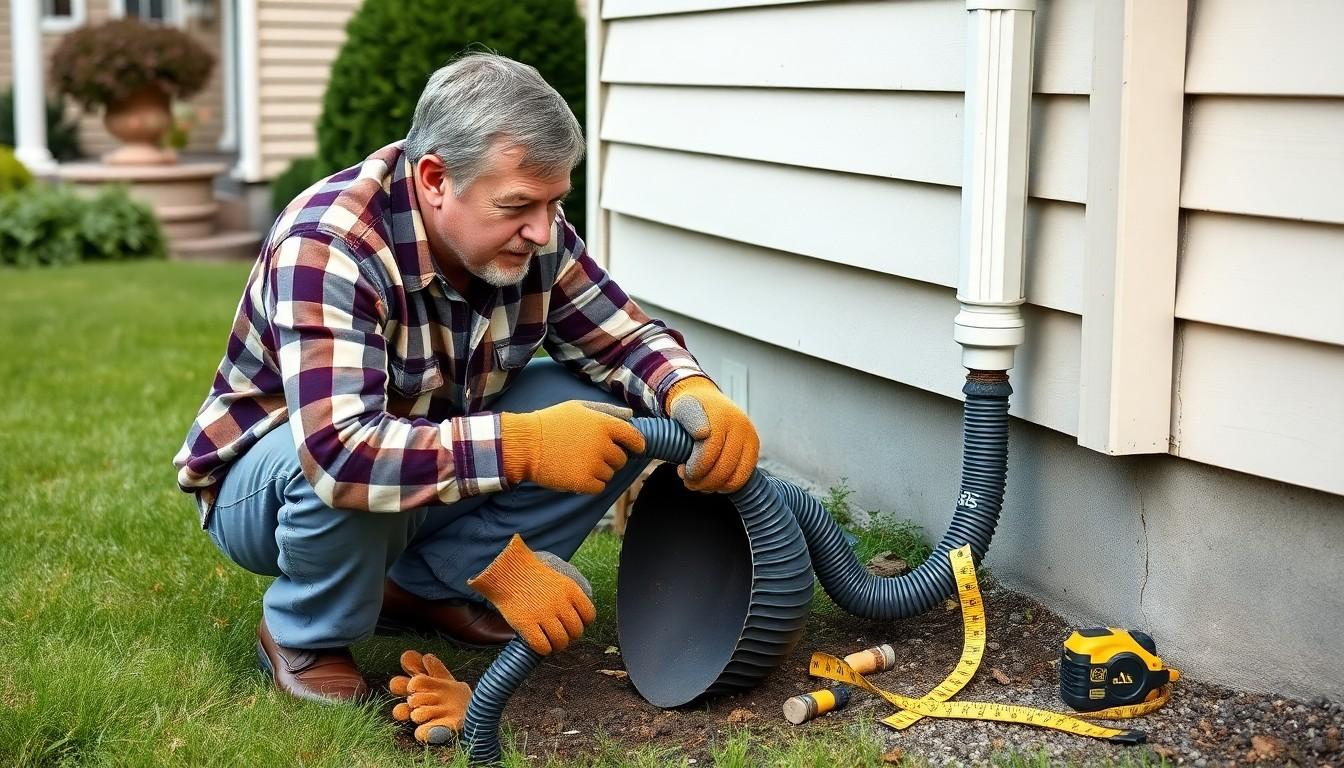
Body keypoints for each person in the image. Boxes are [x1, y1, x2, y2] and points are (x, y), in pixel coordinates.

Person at [172, 52, 759, 708]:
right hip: (275, 481)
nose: (542, 229)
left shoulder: (532, 232)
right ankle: (306, 634)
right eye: (517, 205)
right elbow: (341, 453)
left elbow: (622, 339)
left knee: (612, 410)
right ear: (435, 179)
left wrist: (690, 391)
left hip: (428, 455)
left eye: (554, 202)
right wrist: (525, 446)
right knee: (334, 466)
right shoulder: (332, 245)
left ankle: (428, 588)